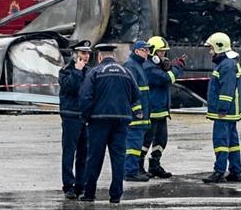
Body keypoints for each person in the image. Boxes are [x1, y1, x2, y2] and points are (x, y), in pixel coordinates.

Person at [79, 44, 142, 204]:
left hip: (99, 121)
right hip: (121, 121)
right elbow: (136, 95)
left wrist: (86, 118)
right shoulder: (126, 72)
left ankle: (89, 193)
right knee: (118, 159)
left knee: (94, 158)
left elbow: (85, 97)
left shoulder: (95, 72)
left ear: (100, 57)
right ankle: (116, 195)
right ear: (113, 56)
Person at [202, 32, 241, 184]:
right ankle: (235, 171)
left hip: (225, 113)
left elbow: (226, 90)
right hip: (231, 112)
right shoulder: (229, 63)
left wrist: (222, 109)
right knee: (232, 143)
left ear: (219, 47)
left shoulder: (226, 65)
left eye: (212, 48)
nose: (210, 52)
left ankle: (219, 171)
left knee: (220, 141)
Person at [141, 36, 187, 179]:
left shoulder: (157, 66)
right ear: (152, 52)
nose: (163, 55)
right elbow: (167, 78)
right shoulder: (148, 67)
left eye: (164, 53)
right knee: (146, 141)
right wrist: (177, 67)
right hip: (152, 110)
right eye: (160, 52)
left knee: (161, 140)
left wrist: (170, 66)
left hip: (161, 111)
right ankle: (138, 165)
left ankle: (155, 164)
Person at [59, 40, 91, 199]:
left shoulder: (90, 71)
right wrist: (77, 71)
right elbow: (69, 88)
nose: (86, 56)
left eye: (87, 53)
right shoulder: (66, 71)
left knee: (84, 153)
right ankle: (68, 185)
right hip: (71, 116)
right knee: (69, 152)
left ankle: (81, 185)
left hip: (85, 117)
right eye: (83, 53)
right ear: (75, 54)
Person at [123, 40, 151, 181]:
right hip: (136, 115)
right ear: (137, 51)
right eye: (145, 50)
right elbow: (131, 90)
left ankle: (133, 170)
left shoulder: (138, 65)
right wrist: (137, 109)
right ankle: (130, 172)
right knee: (133, 144)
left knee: (137, 143)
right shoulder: (131, 65)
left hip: (142, 113)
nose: (148, 53)